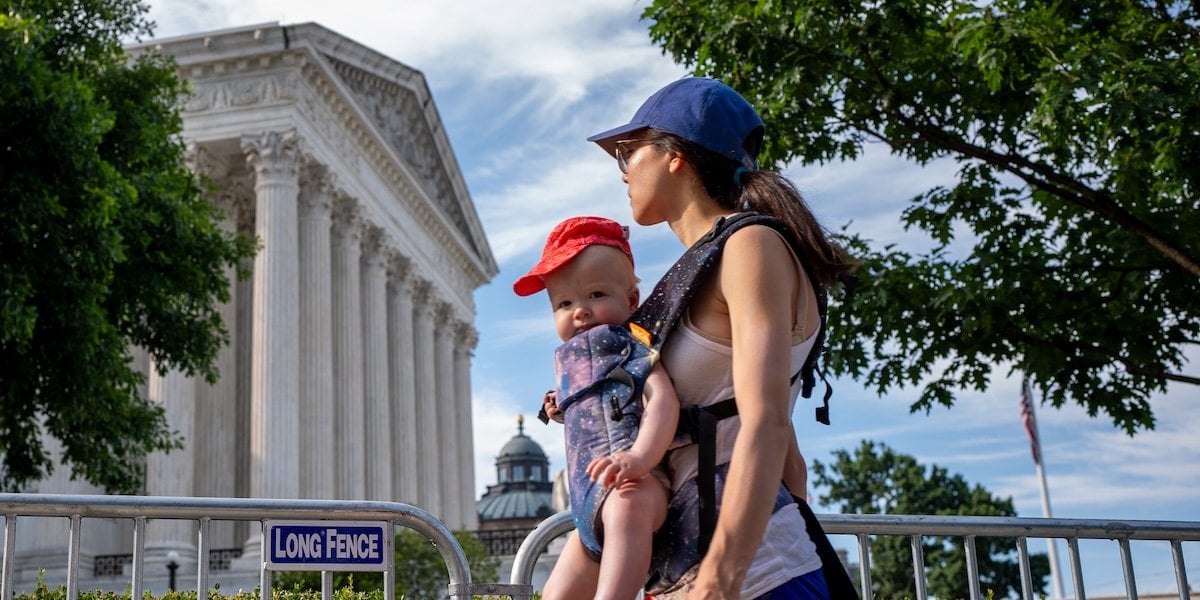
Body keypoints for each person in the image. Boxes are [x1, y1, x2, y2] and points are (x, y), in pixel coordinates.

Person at [586, 77, 858, 599]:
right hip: (703, 570)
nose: (621, 172)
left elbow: (767, 422)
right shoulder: (717, 257)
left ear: (674, 156)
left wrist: (721, 576)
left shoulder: (750, 245)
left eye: (627, 152)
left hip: (750, 578)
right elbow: (788, 458)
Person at [513, 216, 680, 600]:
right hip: (587, 505)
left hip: (637, 484)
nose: (580, 311)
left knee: (627, 512)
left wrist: (639, 459)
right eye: (565, 303)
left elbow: (662, 401)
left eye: (597, 295)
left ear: (631, 300)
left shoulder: (630, 348)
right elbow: (588, 406)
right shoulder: (570, 361)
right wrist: (559, 408)